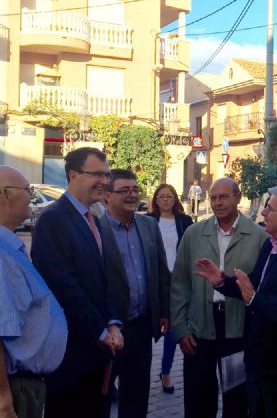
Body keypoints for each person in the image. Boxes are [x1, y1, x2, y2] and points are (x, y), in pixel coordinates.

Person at [195, 186, 277, 418]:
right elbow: (255, 287)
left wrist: (254, 299)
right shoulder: (272, 244)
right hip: (263, 359)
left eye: (270, 208)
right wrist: (223, 283)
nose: (264, 213)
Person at [31, 147, 124, 418]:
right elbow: (63, 286)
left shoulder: (93, 219)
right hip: (71, 355)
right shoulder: (53, 219)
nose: (105, 181)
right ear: (73, 175)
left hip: (99, 353)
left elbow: (104, 279)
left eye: (107, 174)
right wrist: (101, 331)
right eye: (97, 174)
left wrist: (114, 322)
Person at [171, 178, 268, 418]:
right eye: (213, 198)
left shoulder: (258, 237)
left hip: (237, 327)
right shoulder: (194, 234)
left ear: (237, 197)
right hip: (200, 325)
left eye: (223, 197)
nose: (217, 203)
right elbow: (180, 283)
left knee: (236, 398)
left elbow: (262, 286)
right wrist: (181, 328)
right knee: (198, 398)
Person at [99, 169, 171, 417]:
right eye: (124, 190)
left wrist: (163, 311)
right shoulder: (96, 228)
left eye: (135, 190)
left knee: (137, 397)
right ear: (107, 196)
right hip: (109, 331)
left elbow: (161, 271)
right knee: (102, 397)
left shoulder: (149, 225)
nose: (132, 195)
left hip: (141, 329)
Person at [0, 166, 67, 418]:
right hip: (15, 389)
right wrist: (4, 403)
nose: (32, 195)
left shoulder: (9, 246)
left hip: (24, 385)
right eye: (27, 189)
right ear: (4, 195)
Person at [147, 183, 193, 393]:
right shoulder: (148, 222)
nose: (165, 200)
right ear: (155, 200)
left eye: (169, 196)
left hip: (178, 280)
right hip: (155, 282)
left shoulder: (185, 221)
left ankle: (165, 372)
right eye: (161, 196)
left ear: (175, 200)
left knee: (173, 330)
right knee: (149, 326)